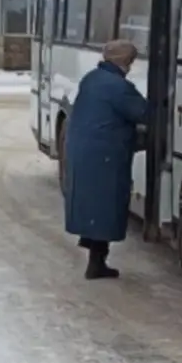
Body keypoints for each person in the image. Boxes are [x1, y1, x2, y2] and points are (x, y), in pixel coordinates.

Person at [63, 39, 149, 279]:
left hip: (84, 151)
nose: (131, 66)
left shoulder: (91, 78)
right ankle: (97, 263)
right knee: (106, 206)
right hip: (105, 155)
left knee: (95, 206)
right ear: (124, 61)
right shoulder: (118, 86)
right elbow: (144, 112)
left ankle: (96, 259)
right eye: (130, 61)